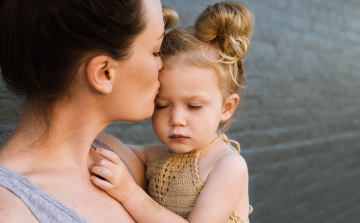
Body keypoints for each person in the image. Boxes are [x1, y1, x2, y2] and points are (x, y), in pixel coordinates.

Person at [0, 0, 178, 222]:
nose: (162, 65)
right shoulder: (11, 211)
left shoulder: (114, 155)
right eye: (155, 51)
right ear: (104, 73)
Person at [90, 2, 254, 223]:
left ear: (226, 108)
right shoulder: (158, 156)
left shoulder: (227, 165)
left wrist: (130, 193)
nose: (176, 120)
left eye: (194, 106)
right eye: (162, 105)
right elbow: (114, 148)